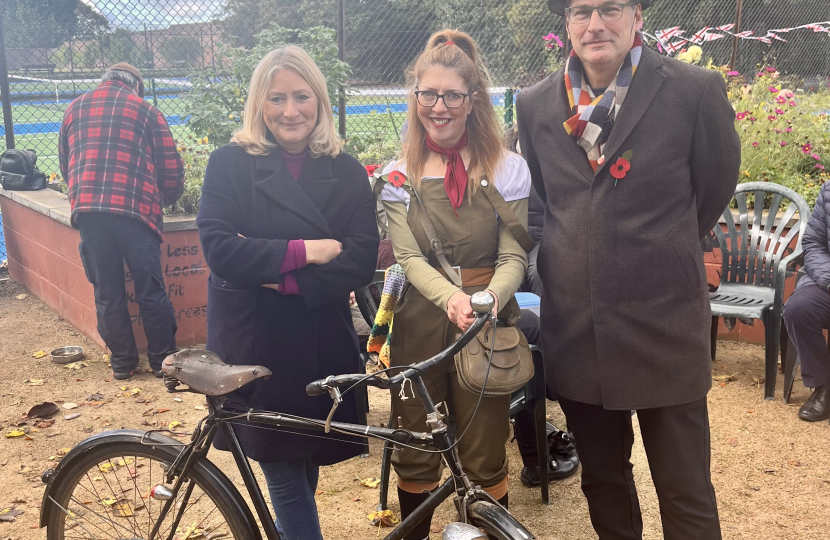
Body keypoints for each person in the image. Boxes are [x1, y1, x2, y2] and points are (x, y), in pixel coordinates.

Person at [517, 1, 740, 538]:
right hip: (577, 326)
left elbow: (712, 189)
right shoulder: (535, 103)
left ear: (637, 16)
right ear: (567, 24)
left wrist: (656, 249)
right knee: (604, 481)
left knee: (685, 488)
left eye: (610, 8)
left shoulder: (694, 90)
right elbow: (547, 200)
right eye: (581, 11)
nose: (595, 24)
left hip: (664, 323)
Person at [196, 46, 379, 540]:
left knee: (305, 455)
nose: (290, 110)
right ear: (259, 103)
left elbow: (361, 257)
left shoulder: (345, 169)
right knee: (282, 465)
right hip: (257, 339)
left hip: (321, 336)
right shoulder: (230, 163)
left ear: (319, 101)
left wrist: (282, 275)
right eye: (276, 98)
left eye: (301, 96)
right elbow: (219, 249)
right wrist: (309, 249)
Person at [378, 29, 532, 540]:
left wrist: (489, 299)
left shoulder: (507, 169)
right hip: (419, 321)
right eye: (428, 94)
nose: (438, 107)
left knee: (485, 448)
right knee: (416, 444)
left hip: (487, 322)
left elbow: (514, 251)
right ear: (415, 97)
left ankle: (488, 530)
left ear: (472, 101)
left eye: (452, 95)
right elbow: (407, 257)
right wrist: (451, 298)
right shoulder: (396, 175)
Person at [58, 63, 184, 380]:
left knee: (107, 292)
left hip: (90, 214)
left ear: (105, 82)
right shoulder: (147, 111)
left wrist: (83, 196)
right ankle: (162, 363)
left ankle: (123, 364)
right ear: (136, 86)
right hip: (136, 214)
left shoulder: (73, 109)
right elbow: (170, 169)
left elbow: (66, 163)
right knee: (151, 291)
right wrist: (165, 199)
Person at [783, 180, 830, 424]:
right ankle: (822, 387)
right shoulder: (829, 190)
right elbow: (814, 242)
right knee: (798, 309)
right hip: (827, 281)